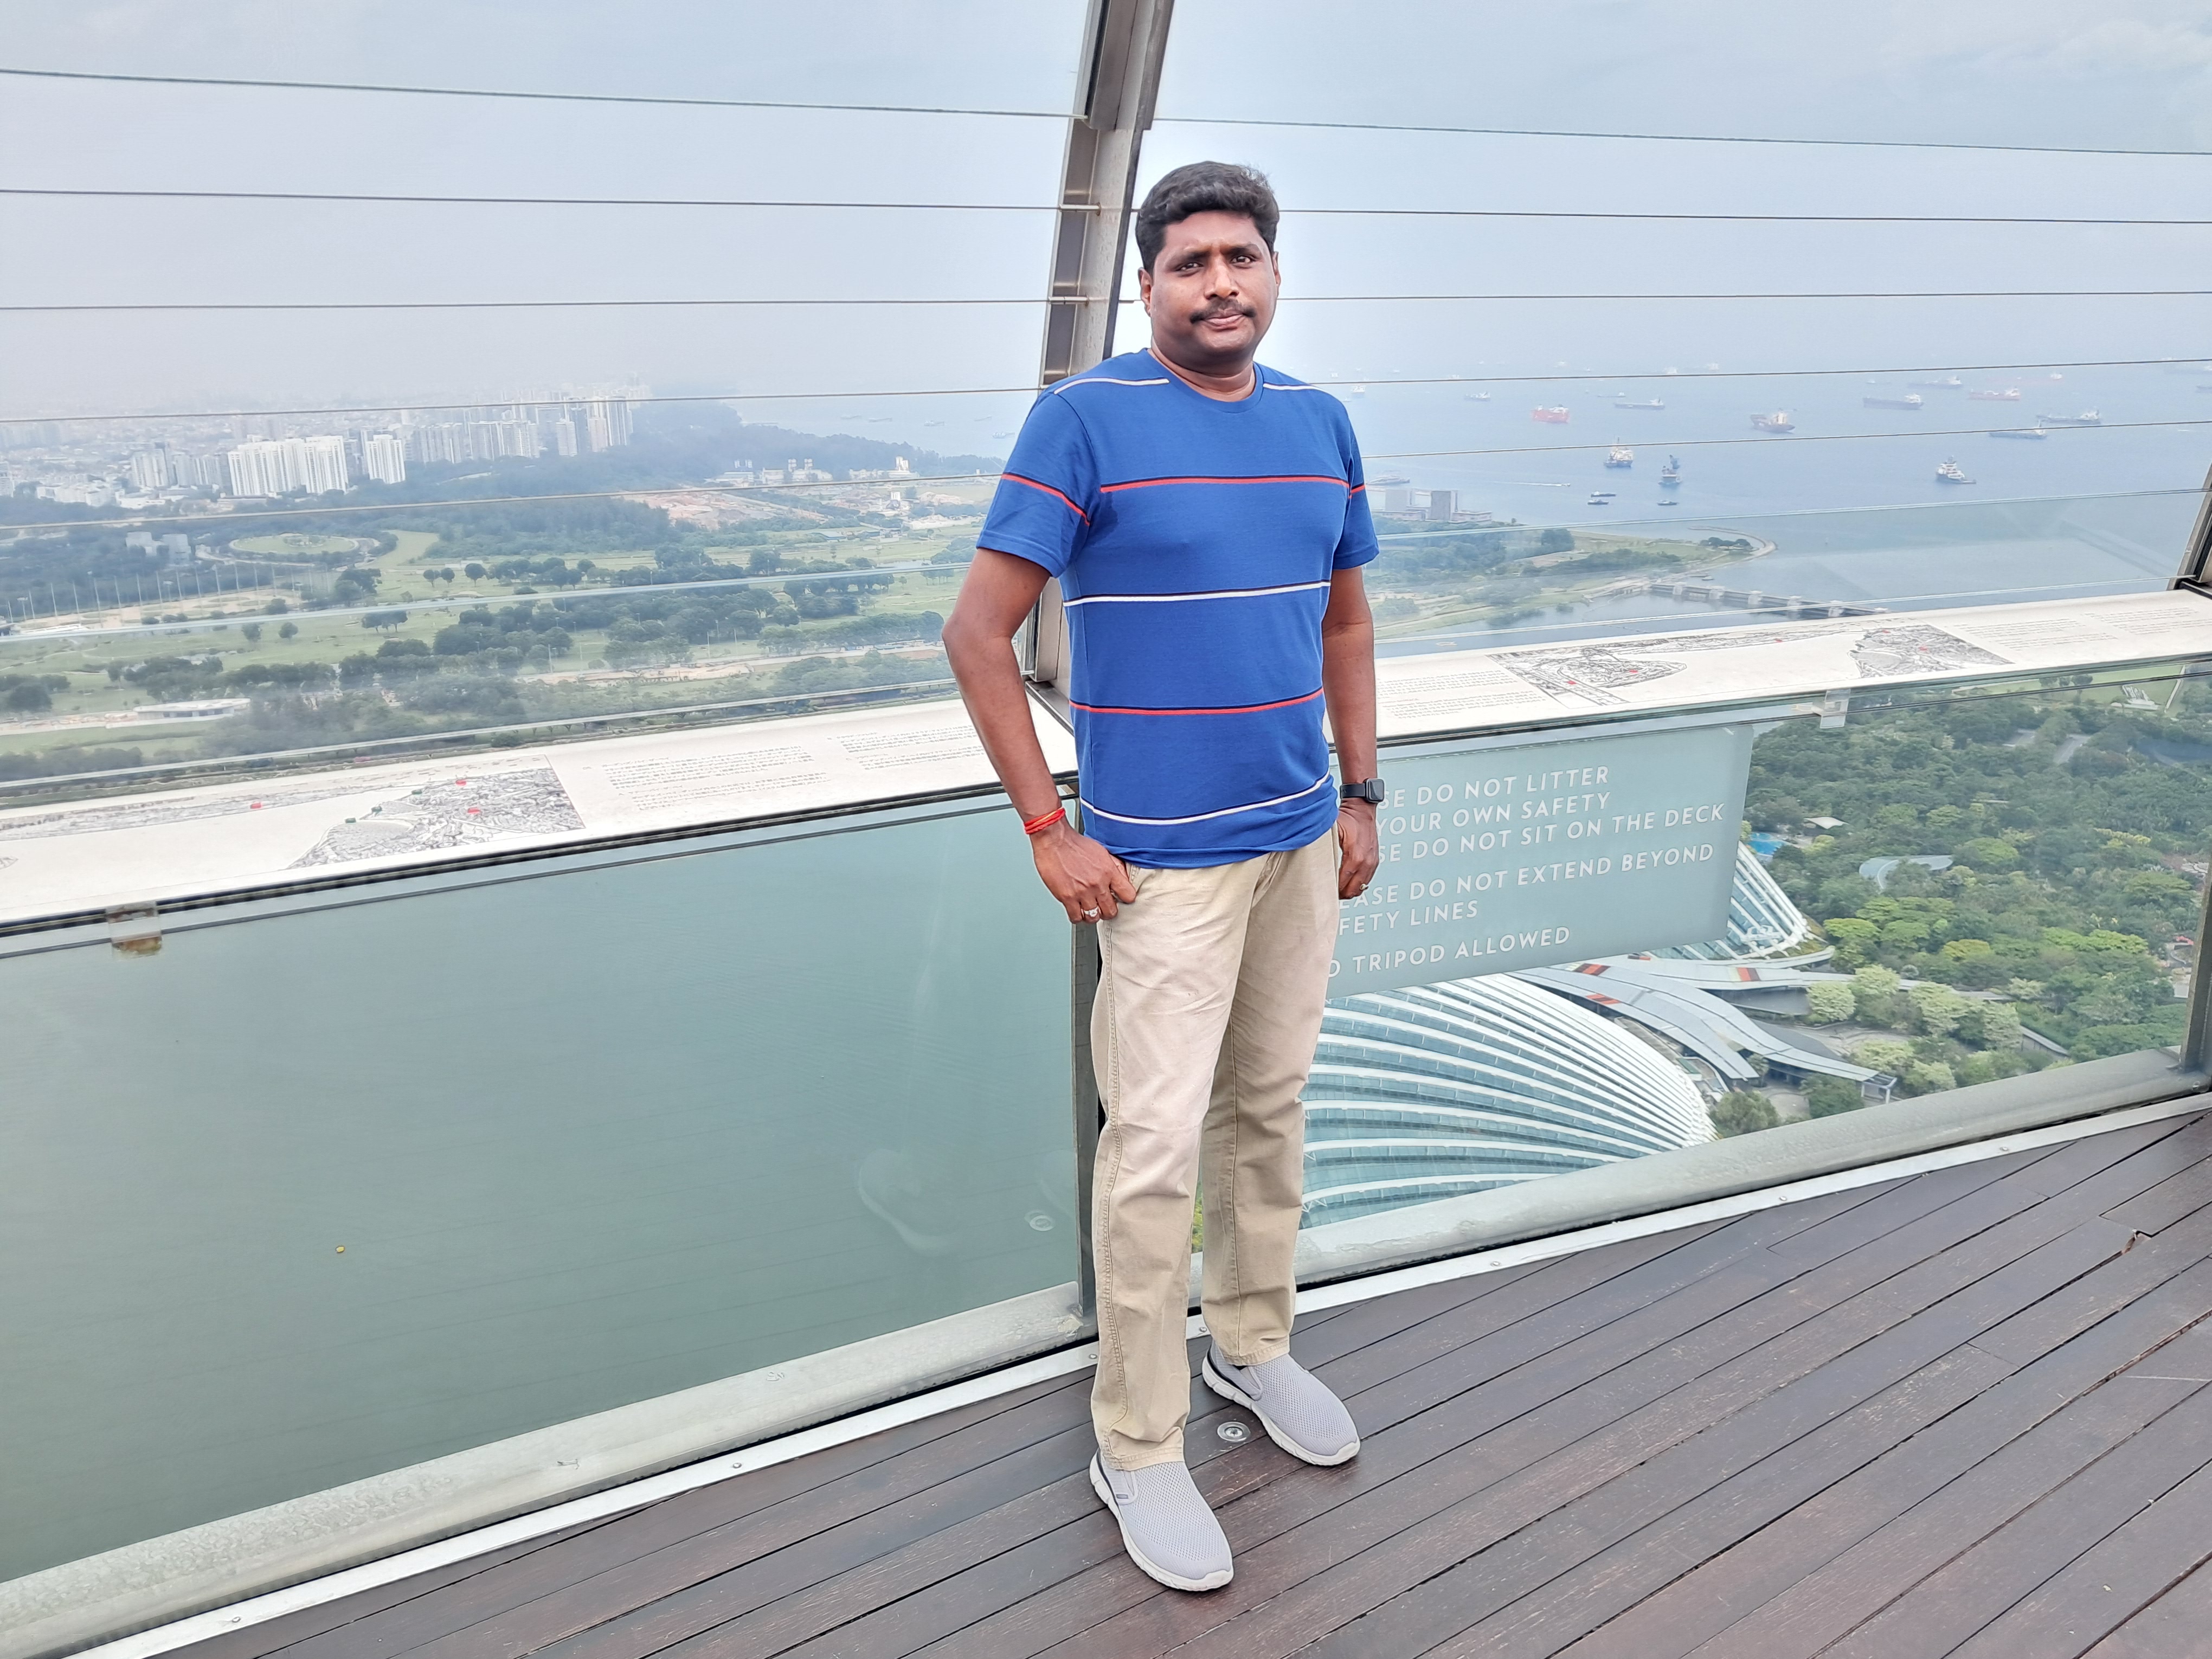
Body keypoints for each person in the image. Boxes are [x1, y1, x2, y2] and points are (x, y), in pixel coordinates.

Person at [942, 160, 1383, 1593]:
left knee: (1270, 1109)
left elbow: (1346, 625)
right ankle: (1136, 1441)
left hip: (1298, 841)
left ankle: (1252, 1345)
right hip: (1159, 868)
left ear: (1275, 273)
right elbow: (977, 635)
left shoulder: (1320, 424)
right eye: (1190, 262)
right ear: (1147, 286)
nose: (1220, 282)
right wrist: (1047, 827)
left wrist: (1360, 793)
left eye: (1241, 257)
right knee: (1150, 1156)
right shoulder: (1086, 420)